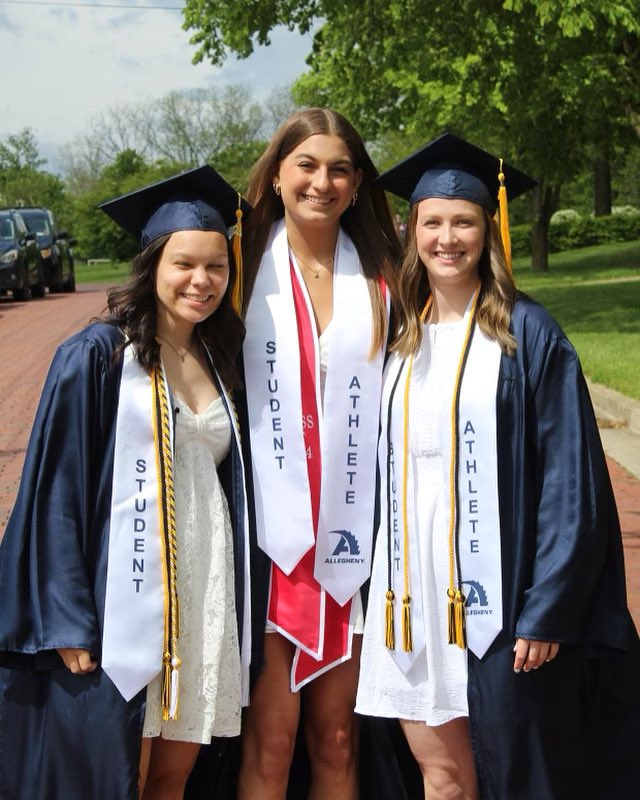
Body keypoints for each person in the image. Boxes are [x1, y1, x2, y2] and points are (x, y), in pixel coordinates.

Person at [356, 132, 640, 799]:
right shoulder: (401, 337)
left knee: (519, 774)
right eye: (433, 223)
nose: (447, 238)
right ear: (412, 231)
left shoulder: (528, 333)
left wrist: (548, 608)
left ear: (489, 229)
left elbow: (572, 484)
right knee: (443, 775)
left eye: (464, 222)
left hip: (501, 600)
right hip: (413, 597)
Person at [0, 166, 253, 799]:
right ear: (152, 264)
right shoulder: (98, 356)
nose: (202, 281)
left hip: (204, 588)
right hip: (126, 596)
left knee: (175, 774)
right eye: (184, 264)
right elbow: (52, 491)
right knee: (120, 771)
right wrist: (67, 618)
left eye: (216, 266)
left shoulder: (220, 355)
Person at [238, 107, 402, 799]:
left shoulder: (387, 276)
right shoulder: (238, 271)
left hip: (353, 533)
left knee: (337, 735)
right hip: (266, 539)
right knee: (271, 739)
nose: (322, 182)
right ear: (276, 174)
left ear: (358, 182)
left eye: (339, 168)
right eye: (306, 165)